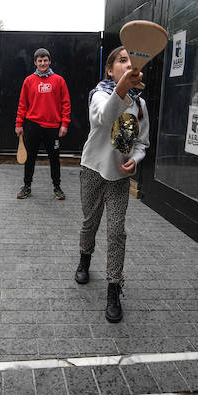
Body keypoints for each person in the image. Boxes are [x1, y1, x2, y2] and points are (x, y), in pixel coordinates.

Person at [76, 47, 149, 323]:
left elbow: (142, 142)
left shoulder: (140, 104)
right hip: (93, 169)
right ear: (110, 70)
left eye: (132, 60)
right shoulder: (100, 94)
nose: (128, 64)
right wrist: (122, 88)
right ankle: (85, 257)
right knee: (89, 223)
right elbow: (104, 118)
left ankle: (113, 288)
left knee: (117, 231)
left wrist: (137, 159)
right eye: (122, 60)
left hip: (119, 177)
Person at [15, 47, 71, 200]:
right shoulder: (28, 81)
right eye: (40, 61)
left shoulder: (59, 80)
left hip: (53, 127)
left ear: (49, 61)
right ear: (35, 62)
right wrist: (19, 124)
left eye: (45, 60)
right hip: (32, 125)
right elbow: (22, 104)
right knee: (30, 158)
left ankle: (57, 187)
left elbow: (66, 103)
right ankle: (26, 186)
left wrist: (65, 123)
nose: (43, 63)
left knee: (54, 158)